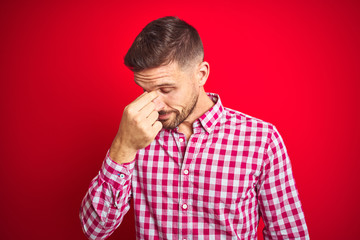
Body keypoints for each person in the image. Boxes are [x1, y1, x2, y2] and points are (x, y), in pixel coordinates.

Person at [79, 16, 309, 240]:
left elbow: (288, 234)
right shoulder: (137, 135)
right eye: (145, 91)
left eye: (166, 89)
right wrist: (124, 147)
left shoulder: (261, 139)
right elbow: (95, 230)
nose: (154, 104)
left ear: (201, 75)